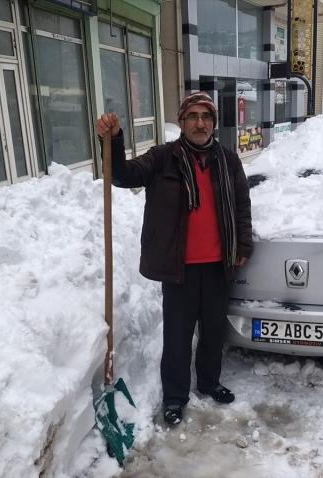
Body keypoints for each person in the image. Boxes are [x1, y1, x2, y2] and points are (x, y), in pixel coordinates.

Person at [96, 92, 253, 426]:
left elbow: (241, 205)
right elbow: (123, 175)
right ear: (182, 122)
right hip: (178, 267)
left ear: (213, 122)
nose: (200, 123)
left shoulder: (227, 160)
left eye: (206, 117)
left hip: (217, 265)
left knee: (212, 333)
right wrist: (114, 140)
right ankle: (175, 397)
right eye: (193, 116)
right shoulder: (163, 158)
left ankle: (210, 383)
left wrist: (243, 245)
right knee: (178, 338)